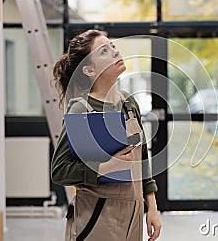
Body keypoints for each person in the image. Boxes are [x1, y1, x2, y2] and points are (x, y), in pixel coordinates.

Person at [51, 29, 161, 241]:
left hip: (133, 215)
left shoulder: (129, 103)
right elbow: (59, 171)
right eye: (104, 51)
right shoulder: (81, 110)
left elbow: (142, 158)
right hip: (97, 218)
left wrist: (152, 207)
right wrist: (107, 166)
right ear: (89, 70)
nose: (115, 52)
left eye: (113, 46)